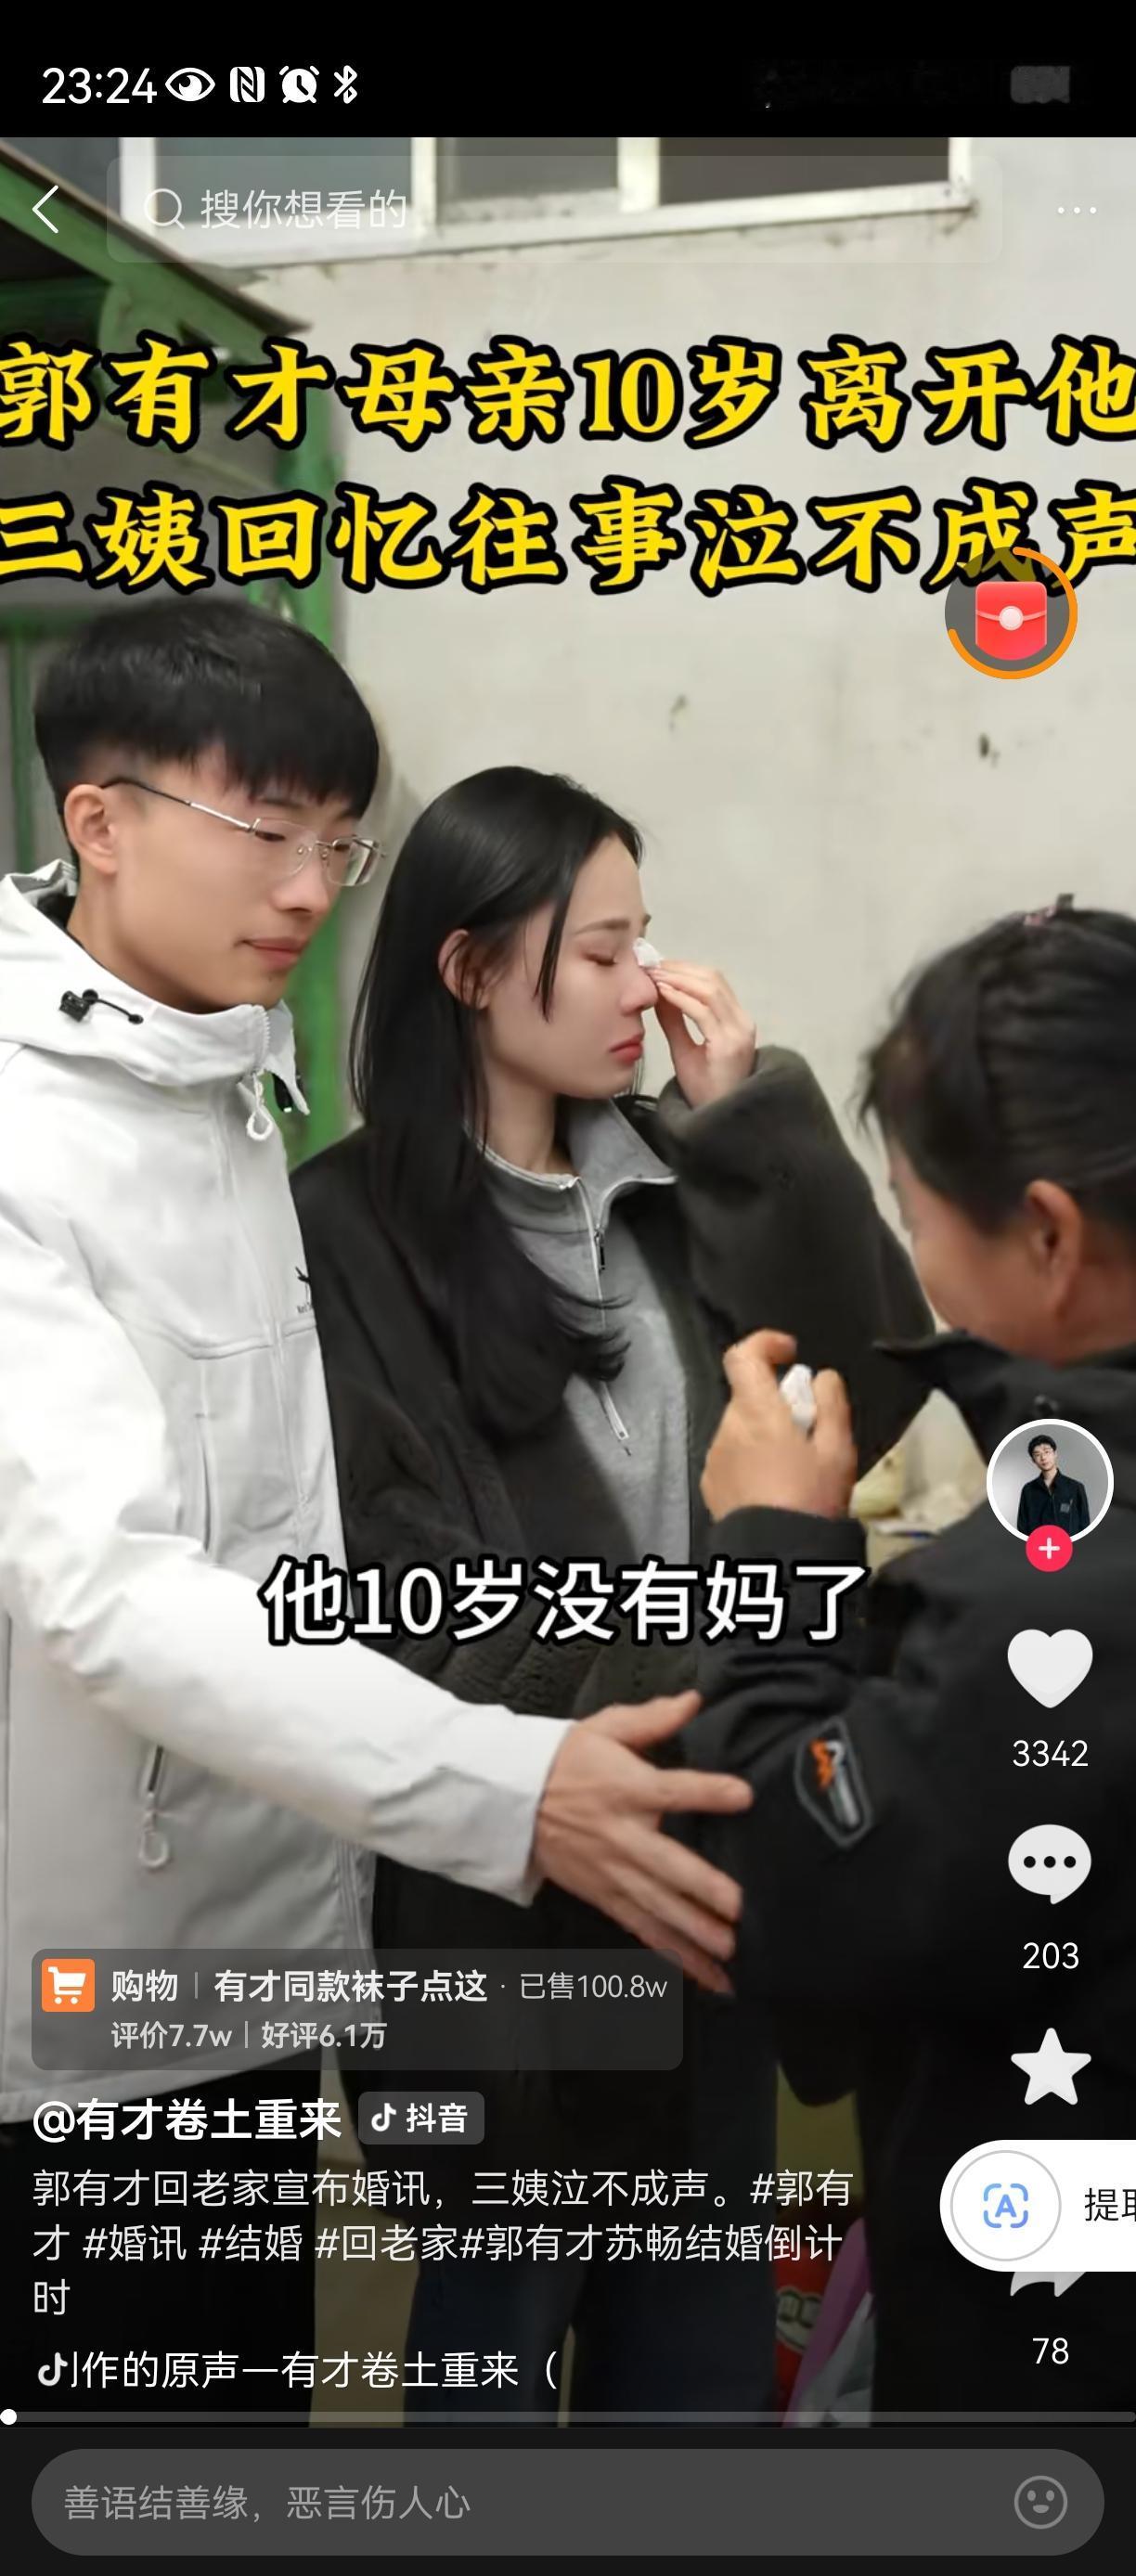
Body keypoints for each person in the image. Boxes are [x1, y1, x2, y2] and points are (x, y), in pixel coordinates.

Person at [0, 603, 755, 2412]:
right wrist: (516, 1776)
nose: (310, 889)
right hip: (92, 1991)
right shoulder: (49, 1133)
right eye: (268, 831)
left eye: (338, 843)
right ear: (102, 823)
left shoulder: (219, 1084)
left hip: (275, 1951)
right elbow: (113, 1587)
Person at [291, 764, 932, 2416]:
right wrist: (711, 1694)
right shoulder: (341, 1232)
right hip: (514, 1894)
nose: (644, 984)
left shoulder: (670, 1175)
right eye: (598, 951)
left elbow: (866, 1387)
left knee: (695, 2365)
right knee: (493, 2352)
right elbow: (406, 1592)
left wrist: (751, 1128)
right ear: (466, 968)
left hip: (712, 1875)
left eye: (646, 939)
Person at [683, 898, 1136, 2415]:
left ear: (1048, 1235)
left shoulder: (1051, 1598)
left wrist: (770, 1547)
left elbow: (803, 1907)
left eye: (916, 1213)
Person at [1016, 1432, 1091, 1535]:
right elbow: (1022, 1526)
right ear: (1033, 1460)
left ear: (1055, 1454)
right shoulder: (1028, 1489)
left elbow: (1085, 1525)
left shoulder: (1075, 1487)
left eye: (1047, 1452)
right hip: (1038, 1543)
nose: (1043, 1457)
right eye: (1037, 1454)